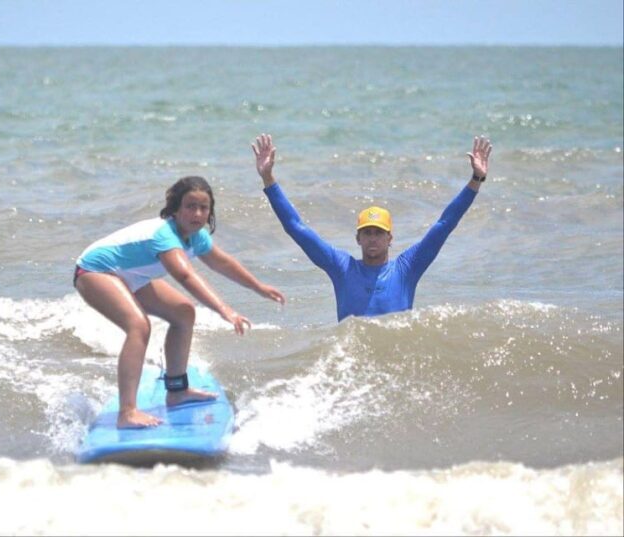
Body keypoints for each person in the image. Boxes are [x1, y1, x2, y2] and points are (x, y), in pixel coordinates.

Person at [74, 176, 286, 428]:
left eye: (204, 208)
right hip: (95, 271)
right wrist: (225, 310)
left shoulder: (197, 237)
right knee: (138, 326)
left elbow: (222, 262)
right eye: (190, 206)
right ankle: (127, 412)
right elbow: (185, 275)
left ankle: (176, 391)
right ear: (175, 209)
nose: (197, 213)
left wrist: (258, 287)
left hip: (131, 275)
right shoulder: (164, 235)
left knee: (183, 313)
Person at [251, 133, 492, 322]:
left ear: (390, 238)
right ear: (358, 238)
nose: (373, 238)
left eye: (379, 233)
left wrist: (476, 180)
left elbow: (445, 224)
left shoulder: (407, 268)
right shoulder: (342, 268)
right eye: (367, 233)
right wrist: (268, 179)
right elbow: (296, 227)